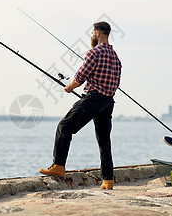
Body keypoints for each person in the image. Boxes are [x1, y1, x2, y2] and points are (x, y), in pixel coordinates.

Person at [39, 21, 122, 190]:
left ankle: (59, 166)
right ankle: (107, 180)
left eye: (92, 32)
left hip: (93, 98)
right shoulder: (116, 57)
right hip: (108, 102)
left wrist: (70, 87)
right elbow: (116, 82)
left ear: (98, 33)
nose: (91, 35)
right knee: (104, 140)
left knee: (65, 126)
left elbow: (81, 75)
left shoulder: (94, 53)